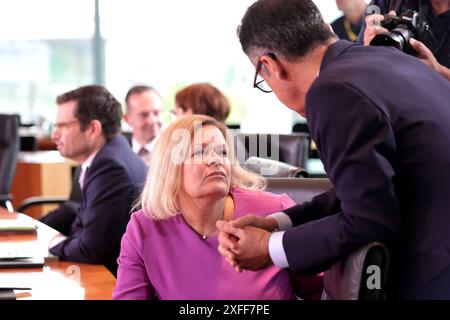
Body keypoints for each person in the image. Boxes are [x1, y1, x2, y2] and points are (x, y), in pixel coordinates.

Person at [216, 0, 450, 299]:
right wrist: (276, 224)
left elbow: (369, 220)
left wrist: (268, 248)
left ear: (269, 66)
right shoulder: (391, 60)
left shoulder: (332, 90)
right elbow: (363, 190)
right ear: (326, 29)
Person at [112, 115, 296, 300]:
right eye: (200, 153)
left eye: (223, 152)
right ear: (170, 169)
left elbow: (320, 290)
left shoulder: (276, 213)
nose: (215, 160)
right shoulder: (144, 227)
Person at [41, 85, 147, 275]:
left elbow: (90, 250)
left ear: (92, 129)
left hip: (109, 278)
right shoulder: (114, 151)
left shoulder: (110, 167)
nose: (55, 134)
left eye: (63, 126)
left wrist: (54, 244)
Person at [358, 0, 450, 81]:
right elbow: (358, 61)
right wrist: (367, 47)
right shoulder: (388, 3)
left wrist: (439, 72)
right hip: (388, 90)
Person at [124, 85, 164, 163]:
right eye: (144, 115)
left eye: (156, 113)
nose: (152, 121)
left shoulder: (178, 151)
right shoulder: (118, 154)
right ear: (127, 119)